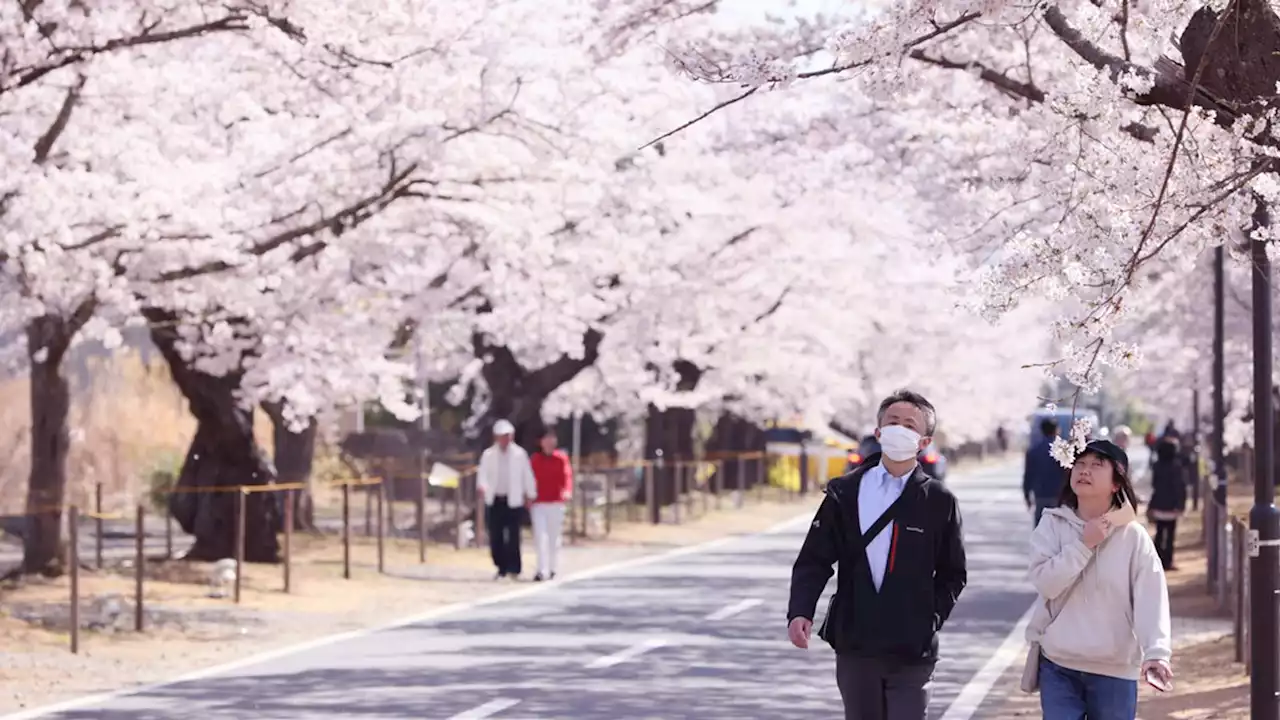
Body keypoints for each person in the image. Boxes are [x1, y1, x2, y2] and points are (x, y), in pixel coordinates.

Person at [787, 389, 966, 720]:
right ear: (879, 432)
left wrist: (930, 618)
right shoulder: (845, 492)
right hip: (857, 641)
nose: (900, 429)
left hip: (913, 648)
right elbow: (815, 558)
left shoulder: (938, 501)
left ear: (924, 441)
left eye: (910, 425)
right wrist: (801, 611)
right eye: (893, 422)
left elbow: (953, 573)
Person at [1027, 439, 1173, 719]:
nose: (1085, 470)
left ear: (1116, 483)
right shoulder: (1052, 524)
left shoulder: (1133, 536)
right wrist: (1083, 545)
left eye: (1097, 465)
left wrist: (1156, 652)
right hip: (1059, 665)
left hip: (1114, 669)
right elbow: (1045, 582)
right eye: (1079, 463)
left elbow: (1150, 598)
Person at [477, 419, 537, 580]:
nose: (506, 439)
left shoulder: (519, 454)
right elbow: (482, 474)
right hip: (495, 499)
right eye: (502, 436)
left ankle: (514, 568)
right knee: (495, 535)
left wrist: (530, 494)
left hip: (514, 500)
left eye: (508, 436)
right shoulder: (488, 455)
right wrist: (482, 486)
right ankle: (501, 567)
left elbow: (527, 475)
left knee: (513, 535)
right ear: (496, 437)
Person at [529, 427, 573, 582]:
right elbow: (529, 479)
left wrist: (567, 491)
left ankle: (553, 567)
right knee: (540, 537)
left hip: (556, 502)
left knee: (554, 537)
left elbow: (567, 477)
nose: (549, 442)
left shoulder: (561, 458)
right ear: (540, 442)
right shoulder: (535, 460)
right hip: (539, 503)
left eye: (551, 438)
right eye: (546, 439)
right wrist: (527, 495)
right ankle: (541, 569)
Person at [1148, 437, 1187, 570]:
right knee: (1170, 535)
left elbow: (1154, 485)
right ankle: (1168, 561)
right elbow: (1180, 487)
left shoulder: (1157, 466)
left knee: (1159, 533)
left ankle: (1157, 559)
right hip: (1172, 505)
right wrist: (1181, 504)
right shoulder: (1177, 467)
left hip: (1158, 503)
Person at [1024, 418, 1063, 528]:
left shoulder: (1033, 450)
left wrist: (1027, 495)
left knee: (1041, 528)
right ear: (1056, 430)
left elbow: (1028, 475)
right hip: (1059, 495)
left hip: (1040, 494)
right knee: (1058, 528)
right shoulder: (1062, 451)